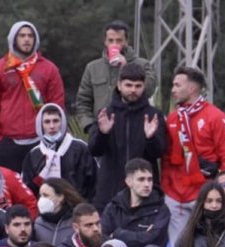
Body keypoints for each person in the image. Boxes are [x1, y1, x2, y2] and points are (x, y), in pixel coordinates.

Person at [161, 66, 225, 245]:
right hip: (175, 196)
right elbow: (166, 158)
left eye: (177, 85)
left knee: (206, 244)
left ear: (192, 88)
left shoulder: (216, 117)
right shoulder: (172, 118)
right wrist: (166, 188)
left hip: (204, 194)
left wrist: (221, 189)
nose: (173, 90)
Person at [0, 21, 66, 171]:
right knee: (9, 191)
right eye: (22, 36)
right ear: (14, 39)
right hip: (8, 143)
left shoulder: (49, 69)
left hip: (41, 141)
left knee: (43, 190)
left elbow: (57, 104)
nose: (26, 39)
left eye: (30, 36)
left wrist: (54, 134)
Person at [88, 62, 165, 212]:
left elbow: (160, 152)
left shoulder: (153, 115)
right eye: (128, 85)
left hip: (145, 195)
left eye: (138, 86)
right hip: (110, 194)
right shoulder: (106, 113)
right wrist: (103, 134)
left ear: (144, 86)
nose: (133, 90)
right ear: (119, 85)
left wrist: (151, 138)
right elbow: (94, 150)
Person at [76, 19, 157, 134]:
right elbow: (83, 101)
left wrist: (126, 68)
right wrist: (90, 126)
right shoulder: (92, 67)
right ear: (105, 41)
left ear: (127, 41)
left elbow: (149, 89)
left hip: (133, 130)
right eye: (111, 40)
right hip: (102, 132)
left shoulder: (143, 64)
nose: (114, 44)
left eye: (119, 40)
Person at [22, 103, 95, 198]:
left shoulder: (80, 148)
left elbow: (94, 182)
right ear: (40, 124)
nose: (52, 126)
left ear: (63, 122)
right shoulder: (33, 155)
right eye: (47, 122)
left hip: (77, 207)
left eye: (56, 121)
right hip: (45, 210)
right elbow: (27, 189)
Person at [102, 158, 170, 247]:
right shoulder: (114, 207)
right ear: (129, 182)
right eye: (141, 179)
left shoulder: (161, 209)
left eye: (150, 179)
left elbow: (150, 242)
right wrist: (141, 236)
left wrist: (118, 233)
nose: (147, 184)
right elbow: (103, 239)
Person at [34, 177, 85, 245]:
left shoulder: (76, 222)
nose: (42, 199)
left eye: (46, 195)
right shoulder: (37, 223)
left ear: (60, 197)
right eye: (40, 196)